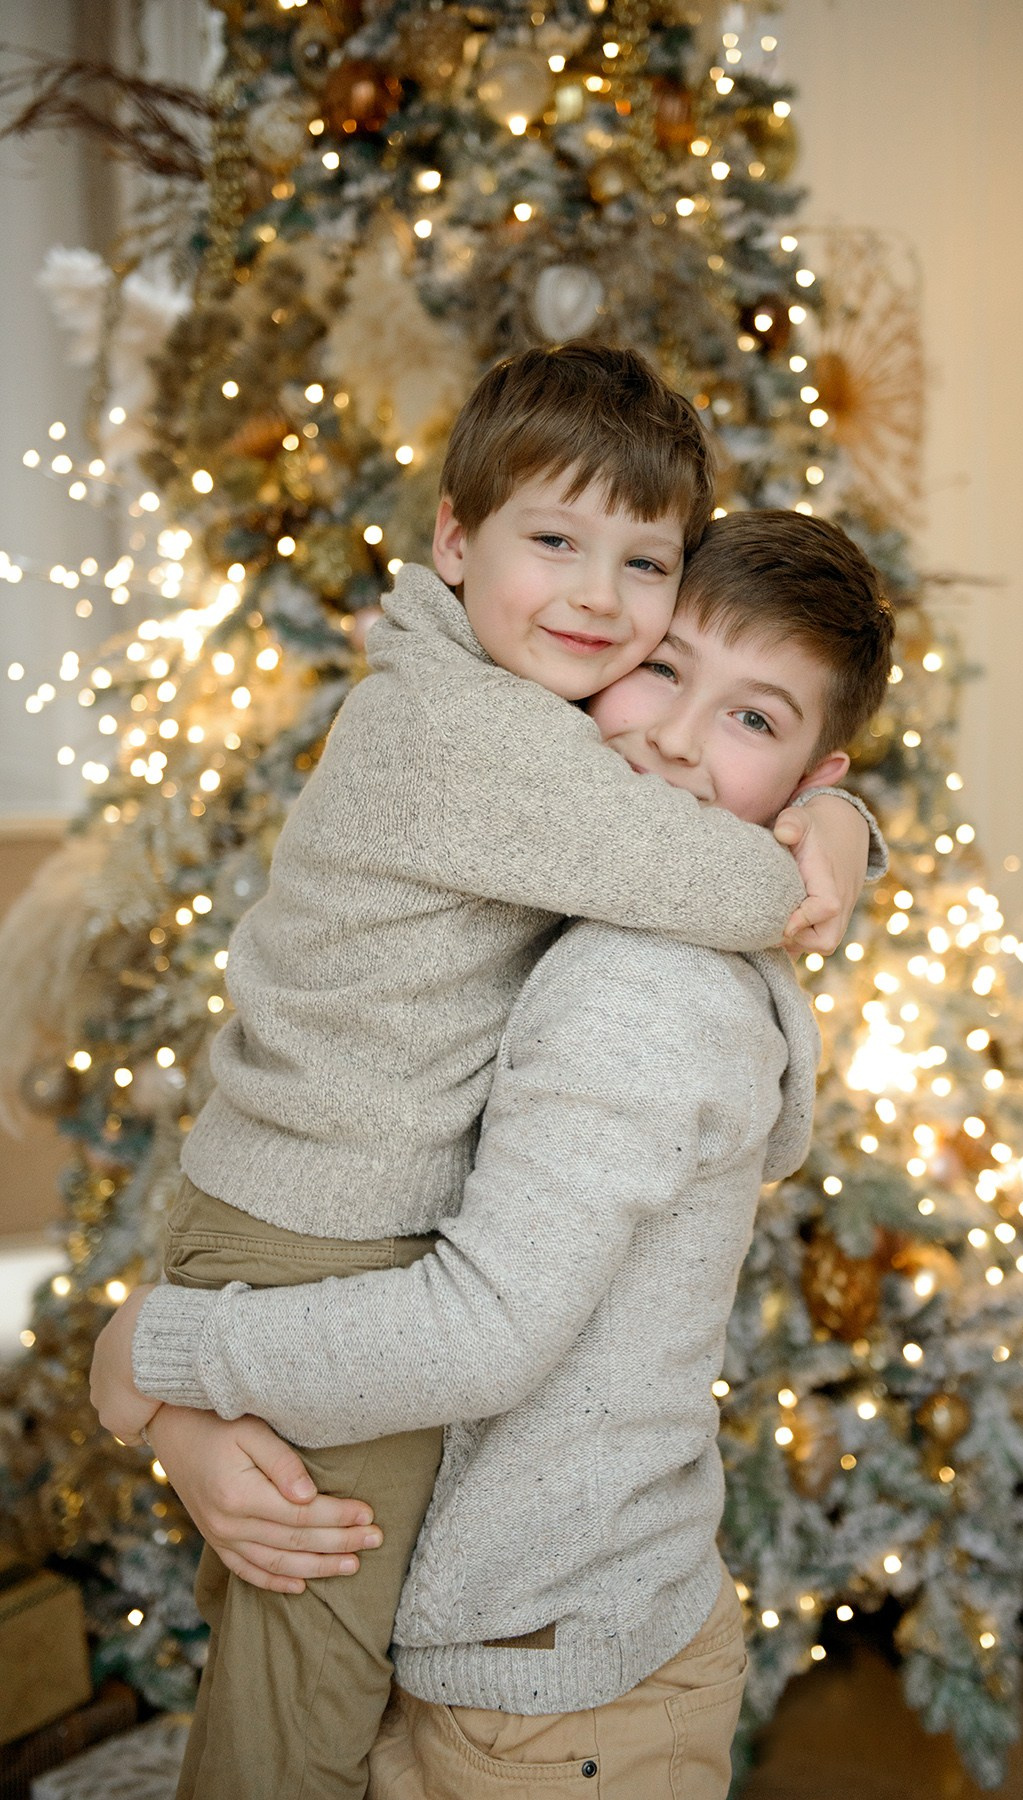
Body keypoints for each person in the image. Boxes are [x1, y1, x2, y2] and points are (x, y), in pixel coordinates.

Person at [91, 345, 883, 1800]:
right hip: (312, 1235)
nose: (595, 600)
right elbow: (723, 869)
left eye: (641, 567)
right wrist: (827, 842)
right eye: (553, 544)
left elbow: (717, 802)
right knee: (299, 1688)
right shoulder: (472, 738)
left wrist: (841, 820)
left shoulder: (555, 779)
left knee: (298, 1651)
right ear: (453, 543)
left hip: (325, 1239)